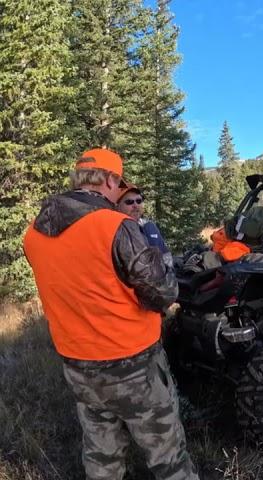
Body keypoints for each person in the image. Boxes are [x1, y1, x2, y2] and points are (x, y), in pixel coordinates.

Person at [23, 148, 199, 480]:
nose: (121, 194)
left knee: (102, 456)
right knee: (168, 457)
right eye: (119, 186)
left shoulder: (34, 233)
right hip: (134, 365)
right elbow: (164, 292)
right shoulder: (116, 226)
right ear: (109, 179)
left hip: (78, 366)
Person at [117, 182, 169, 254]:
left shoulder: (150, 227)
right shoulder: (115, 231)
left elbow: (166, 256)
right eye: (129, 202)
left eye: (139, 201)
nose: (135, 205)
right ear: (117, 206)